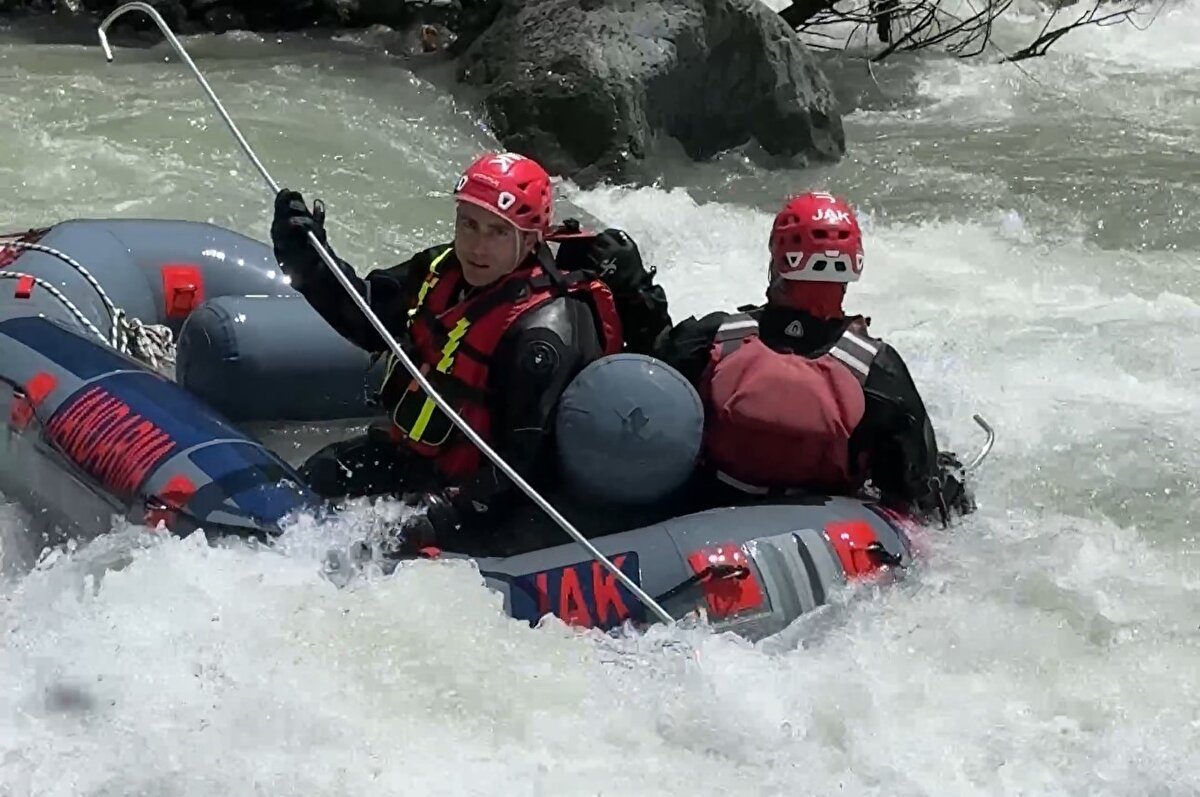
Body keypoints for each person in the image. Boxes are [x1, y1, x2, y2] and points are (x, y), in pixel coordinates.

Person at [270, 151, 666, 554]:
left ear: (530, 240)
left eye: (497, 232)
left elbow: (523, 471)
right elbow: (368, 317)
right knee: (312, 480)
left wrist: (433, 516)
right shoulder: (444, 268)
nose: (477, 245)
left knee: (375, 542)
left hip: (486, 498)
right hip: (420, 462)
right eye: (469, 224)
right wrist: (310, 260)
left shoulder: (543, 334)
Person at [652, 191, 973, 524]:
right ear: (853, 266)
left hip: (706, 512)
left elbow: (643, 385)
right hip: (827, 530)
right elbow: (917, 489)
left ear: (778, 260)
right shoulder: (876, 369)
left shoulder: (714, 337)